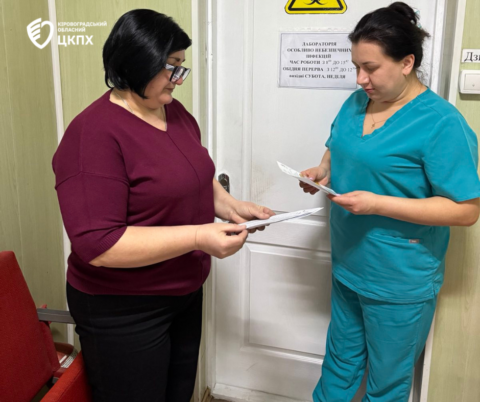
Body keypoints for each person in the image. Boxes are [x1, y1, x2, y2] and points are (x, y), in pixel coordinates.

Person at [52, 9, 274, 402]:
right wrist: (198, 237)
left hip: (182, 291)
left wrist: (229, 206)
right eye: (170, 67)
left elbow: (194, 175)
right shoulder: (93, 134)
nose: (178, 79)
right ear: (135, 63)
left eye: (181, 67)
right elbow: (99, 245)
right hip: (123, 307)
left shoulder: (174, 112)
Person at [299, 3, 480, 401]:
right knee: (339, 367)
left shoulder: (441, 122)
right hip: (349, 263)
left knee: (386, 385)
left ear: (406, 62)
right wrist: (322, 170)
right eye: (355, 67)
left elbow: (466, 210)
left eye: (370, 68)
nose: (360, 79)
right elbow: (338, 146)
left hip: (399, 278)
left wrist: (378, 204)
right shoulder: (356, 103)